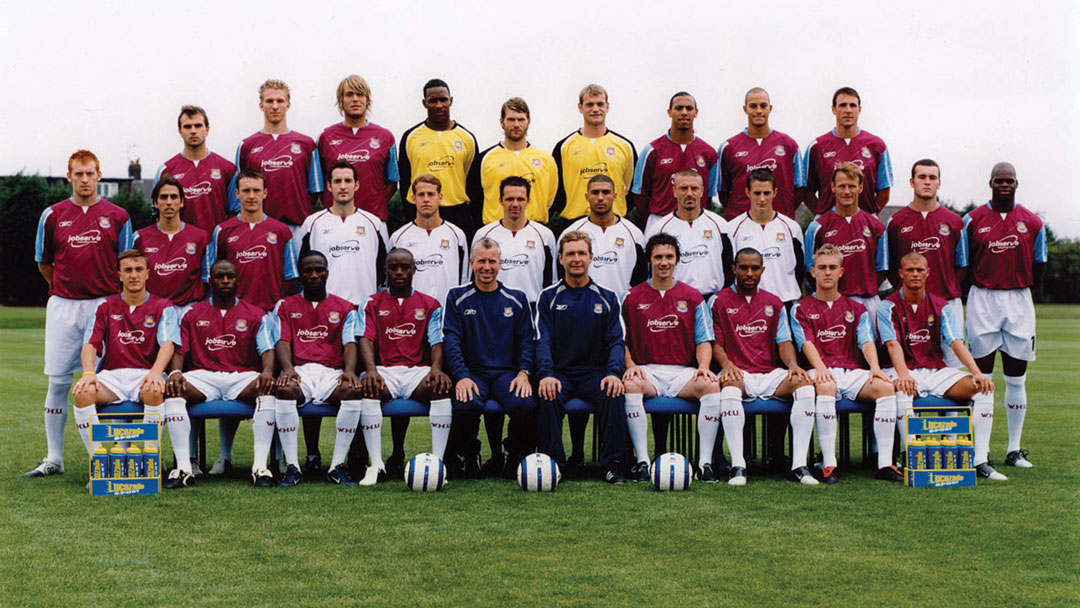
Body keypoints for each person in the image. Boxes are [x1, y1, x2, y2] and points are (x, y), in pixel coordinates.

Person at [26, 150, 134, 478]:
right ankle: (54, 458)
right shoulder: (53, 215)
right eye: (78, 174)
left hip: (104, 305)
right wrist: (66, 287)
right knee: (58, 382)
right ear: (68, 176)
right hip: (63, 305)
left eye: (90, 174)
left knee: (108, 381)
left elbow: (126, 263)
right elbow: (44, 262)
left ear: (99, 175)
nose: (84, 180)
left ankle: (112, 456)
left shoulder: (118, 216)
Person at [878, 252, 1004, 480]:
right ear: (900, 273)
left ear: (928, 273)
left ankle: (980, 460)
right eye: (909, 270)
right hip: (901, 369)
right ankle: (912, 456)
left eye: (919, 270)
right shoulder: (887, 307)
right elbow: (891, 344)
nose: (915, 274)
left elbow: (956, 342)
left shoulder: (941, 306)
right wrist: (903, 374)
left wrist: (977, 373)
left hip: (935, 370)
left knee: (983, 388)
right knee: (902, 389)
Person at [791, 244, 902, 483]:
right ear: (813, 272)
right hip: (819, 369)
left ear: (841, 272)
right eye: (822, 268)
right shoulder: (800, 308)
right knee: (826, 385)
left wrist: (874, 368)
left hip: (851, 371)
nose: (827, 272)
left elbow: (866, 340)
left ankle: (884, 463)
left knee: (885, 387)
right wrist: (820, 368)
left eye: (832, 267)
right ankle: (829, 463)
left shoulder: (857, 308)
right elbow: (806, 342)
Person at [163, 259, 277, 488]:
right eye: (219, 276)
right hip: (203, 376)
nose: (225, 280)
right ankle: (183, 469)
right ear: (210, 280)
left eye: (230, 276)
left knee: (267, 392)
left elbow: (267, 350)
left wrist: (266, 372)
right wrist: (175, 371)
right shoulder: (191, 313)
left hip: (241, 377)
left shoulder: (256, 314)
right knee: (175, 392)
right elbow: (179, 349)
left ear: (238, 279)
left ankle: (260, 468)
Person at [621, 233, 725, 483]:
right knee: (630, 385)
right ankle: (643, 462)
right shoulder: (631, 297)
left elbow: (704, 340)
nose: (664, 262)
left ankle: (705, 464)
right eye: (658, 257)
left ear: (677, 260)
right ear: (650, 260)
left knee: (711, 386)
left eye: (669, 256)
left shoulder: (692, 297)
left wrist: (702, 366)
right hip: (648, 370)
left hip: (682, 372)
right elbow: (621, 341)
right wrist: (630, 365)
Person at [963, 162, 1046, 469]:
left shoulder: (1033, 223)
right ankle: (980, 452)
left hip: (1018, 298)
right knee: (982, 378)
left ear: (1016, 183)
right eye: (999, 180)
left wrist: (1019, 290)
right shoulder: (970, 221)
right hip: (983, 298)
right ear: (990, 183)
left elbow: (1039, 266)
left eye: (1009, 180)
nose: (1004, 185)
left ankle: (1014, 449)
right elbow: (964, 263)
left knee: (1015, 377)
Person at [710, 248, 817, 485]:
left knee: (805, 385)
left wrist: (792, 365)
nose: (749, 273)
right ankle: (738, 466)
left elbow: (784, 342)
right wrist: (726, 364)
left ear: (763, 270)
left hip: (768, 373)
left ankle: (799, 465)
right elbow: (715, 343)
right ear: (734, 269)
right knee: (729, 384)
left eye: (755, 268)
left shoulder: (774, 302)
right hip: (738, 372)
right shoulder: (718, 301)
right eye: (744, 268)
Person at [70, 250, 178, 479]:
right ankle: (99, 464)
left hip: (145, 373)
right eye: (128, 270)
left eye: (139, 269)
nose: (134, 275)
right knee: (83, 394)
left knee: (154, 389)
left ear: (148, 273)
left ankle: (149, 462)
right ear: (119, 275)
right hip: (113, 375)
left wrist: (157, 372)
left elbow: (168, 343)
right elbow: (90, 343)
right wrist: (88, 373)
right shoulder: (105, 306)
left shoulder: (164, 306)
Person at [535, 231, 628, 483]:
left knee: (614, 392)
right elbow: (542, 340)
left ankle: (614, 464)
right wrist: (546, 375)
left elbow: (616, 341)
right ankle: (553, 464)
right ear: (561, 259)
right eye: (570, 254)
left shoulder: (607, 297)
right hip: (560, 373)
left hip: (595, 373)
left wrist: (613, 373)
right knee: (547, 393)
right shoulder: (548, 297)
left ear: (591, 258)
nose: (576, 259)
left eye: (581, 253)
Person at [442, 238, 536, 479]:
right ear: (472, 263)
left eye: (492, 261)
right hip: (473, 373)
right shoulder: (456, 297)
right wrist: (461, 376)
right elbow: (451, 341)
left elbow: (527, 340)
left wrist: (524, 373)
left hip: (507, 374)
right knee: (466, 404)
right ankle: (468, 454)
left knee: (525, 404)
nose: (486, 267)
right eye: (481, 261)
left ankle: (513, 455)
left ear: (500, 263)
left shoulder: (516, 298)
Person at [358, 248, 453, 477]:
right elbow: (365, 339)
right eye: (393, 268)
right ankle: (377, 465)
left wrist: (436, 369)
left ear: (414, 269)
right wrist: (370, 370)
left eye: (405, 267)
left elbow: (436, 342)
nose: (399, 272)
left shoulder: (430, 304)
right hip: (384, 370)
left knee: (440, 386)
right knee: (370, 387)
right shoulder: (371, 303)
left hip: (416, 372)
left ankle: (439, 465)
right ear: (385, 271)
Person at [273, 251, 365, 486]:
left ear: (327, 273)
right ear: (300, 275)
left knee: (353, 391)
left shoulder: (344, 307)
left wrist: (350, 371)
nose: (314, 275)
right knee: (284, 391)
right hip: (300, 371)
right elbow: (282, 341)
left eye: (319, 270)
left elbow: (349, 343)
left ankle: (336, 467)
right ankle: (293, 467)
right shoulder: (285, 306)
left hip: (331, 372)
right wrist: (287, 369)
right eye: (308, 271)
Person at [885, 159, 967, 366]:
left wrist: (942, 291)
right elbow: (891, 267)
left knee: (952, 367)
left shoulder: (955, 221)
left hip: (947, 303)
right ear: (912, 182)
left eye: (933, 177)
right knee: (911, 366)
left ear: (939, 182)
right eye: (922, 177)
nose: (927, 182)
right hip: (908, 307)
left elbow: (962, 266)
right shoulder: (895, 222)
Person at [804, 163, 886, 337]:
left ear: (861, 188)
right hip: (830, 302)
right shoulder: (817, 227)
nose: (847, 191)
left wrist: (863, 289)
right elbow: (809, 272)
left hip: (868, 302)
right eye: (842, 186)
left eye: (852, 186)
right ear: (833, 187)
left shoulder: (876, 226)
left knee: (873, 358)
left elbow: (881, 270)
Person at [234, 79, 323, 240]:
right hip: (259, 227)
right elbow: (240, 189)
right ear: (261, 105)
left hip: (297, 227)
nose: (275, 106)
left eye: (280, 101)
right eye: (269, 101)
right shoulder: (246, 145)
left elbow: (314, 191)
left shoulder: (306, 144)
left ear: (288, 104)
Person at [295, 161, 388, 306]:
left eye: (348, 181)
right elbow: (302, 268)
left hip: (363, 307)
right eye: (337, 181)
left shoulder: (374, 223)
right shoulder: (312, 223)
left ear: (356, 185)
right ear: (329, 186)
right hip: (324, 306)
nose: (343, 186)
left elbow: (382, 268)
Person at [399, 79, 479, 235]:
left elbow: (472, 182)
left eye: (443, 99)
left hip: (457, 213)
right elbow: (405, 180)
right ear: (424, 103)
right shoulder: (411, 137)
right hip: (420, 213)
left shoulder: (467, 138)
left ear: (451, 101)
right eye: (433, 101)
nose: (439, 105)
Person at [210, 169, 298, 312]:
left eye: (256, 190)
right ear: (237, 194)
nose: (251, 196)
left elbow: (290, 275)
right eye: (246, 191)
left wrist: (274, 299)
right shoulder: (222, 230)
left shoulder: (281, 231)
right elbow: (215, 274)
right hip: (234, 311)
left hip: (270, 310)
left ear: (265, 193)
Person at [631, 91, 718, 232]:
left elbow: (707, 195)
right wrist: (655, 222)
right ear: (669, 112)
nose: (684, 112)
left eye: (689, 108)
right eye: (679, 108)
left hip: (695, 222)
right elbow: (639, 194)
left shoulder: (709, 153)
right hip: (659, 220)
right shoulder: (651, 150)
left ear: (696, 112)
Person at [316, 75, 398, 222]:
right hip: (333, 220)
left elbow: (392, 181)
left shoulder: (385, 137)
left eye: (360, 94)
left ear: (367, 100)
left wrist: (375, 205)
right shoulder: (325, 137)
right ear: (341, 100)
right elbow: (320, 183)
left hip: (374, 220)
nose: (355, 99)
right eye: (349, 94)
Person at [799, 87, 893, 215]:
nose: (848, 110)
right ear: (833, 109)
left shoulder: (877, 145)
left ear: (859, 110)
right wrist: (823, 217)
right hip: (828, 226)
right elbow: (806, 191)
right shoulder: (816, 147)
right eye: (842, 105)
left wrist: (868, 217)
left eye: (852, 105)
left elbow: (884, 192)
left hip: (864, 225)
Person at [552, 84, 637, 220]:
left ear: (607, 107)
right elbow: (556, 188)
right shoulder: (564, 146)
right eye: (589, 105)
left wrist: (615, 209)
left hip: (613, 221)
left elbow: (632, 189)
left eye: (600, 104)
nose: (595, 109)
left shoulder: (625, 146)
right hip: (574, 222)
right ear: (580, 108)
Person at [645, 170, 733, 299]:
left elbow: (729, 268)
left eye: (694, 188)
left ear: (702, 191)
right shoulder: (659, 228)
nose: (689, 193)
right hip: (673, 299)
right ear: (674, 191)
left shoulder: (720, 225)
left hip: (712, 299)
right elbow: (650, 271)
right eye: (683, 188)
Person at [469, 97, 558, 225]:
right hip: (495, 230)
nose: (516, 124)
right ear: (502, 121)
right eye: (511, 119)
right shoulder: (484, 159)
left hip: (535, 229)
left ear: (528, 121)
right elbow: (475, 198)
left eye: (521, 119)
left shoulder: (546, 160)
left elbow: (550, 200)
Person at [716, 87, 801, 220]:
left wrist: (783, 214)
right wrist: (740, 216)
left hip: (780, 224)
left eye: (763, 106)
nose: (759, 111)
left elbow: (800, 188)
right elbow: (722, 191)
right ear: (745, 109)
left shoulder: (789, 145)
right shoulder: (728, 147)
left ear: (770, 108)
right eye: (753, 106)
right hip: (740, 224)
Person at [133, 175, 211, 315]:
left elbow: (207, 280)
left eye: (174, 197)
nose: (169, 202)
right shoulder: (140, 238)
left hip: (188, 310)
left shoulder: (201, 237)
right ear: (155, 203)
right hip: (152, 311)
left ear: (181, 202)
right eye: (163, 197)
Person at [473, 176, 557, 305]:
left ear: (528, 201)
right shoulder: (484, 234)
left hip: (531, 307)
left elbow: (551, 280)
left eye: (520, 199)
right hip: (492, 305)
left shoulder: (545, 235)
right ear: (501, 201)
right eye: (509, 199)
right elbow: (473, 275)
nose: (515, 204)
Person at [726, 168, 804, 306]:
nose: (762, 199)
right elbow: (729, 271)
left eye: (767, 193)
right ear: (747, 192)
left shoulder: (792, 228)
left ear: (775, 193)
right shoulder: (732, 228)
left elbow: (800, 270)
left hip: (785, 303)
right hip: (747, 303)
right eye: (757, 193)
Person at [560, 175, 647, 299]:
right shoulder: (571, 233)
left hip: (620, 309)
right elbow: (560, 276)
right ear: (587, 197)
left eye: (606, 192)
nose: (600, 198)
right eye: (595, 193)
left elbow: (641, 279)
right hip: (580, 307)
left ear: (614, 196)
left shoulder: (634, 234)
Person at [155, 105, 237, 233]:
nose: (193, 131)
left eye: (198, 126)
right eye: (187, 127)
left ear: (207, 129)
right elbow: (158, 216)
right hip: (181, 248)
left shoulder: (228, 169)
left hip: (216, 246)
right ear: (180, 131)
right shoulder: (166, 170)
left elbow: (235, 213)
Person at [389, 175, 469, 306]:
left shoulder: (457, 236)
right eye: (421, 195)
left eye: (431, 194)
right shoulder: (398, 238)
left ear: (440, 197)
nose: (426, 199)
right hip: (410, 313)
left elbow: (464, 279)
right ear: (414, 199)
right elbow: (390, 281)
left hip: (447, 314)